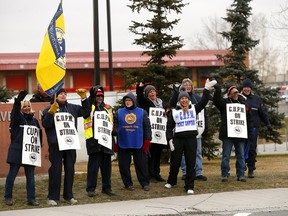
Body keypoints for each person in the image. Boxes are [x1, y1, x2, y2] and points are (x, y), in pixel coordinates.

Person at [165, 79, 217, 194]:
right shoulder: (175, 112)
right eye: (182, 98)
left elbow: (203, 102)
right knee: (175, 161)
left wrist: (206, 89)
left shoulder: (194, 109)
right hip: (178, 139)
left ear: (188, 100)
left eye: (186, 98)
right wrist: (169, 140)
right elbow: (169, 127)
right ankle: (171, 181)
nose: (184, 100)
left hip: (191, 139)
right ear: (180, 100)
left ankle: (189, 186)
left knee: (190, 163)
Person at [42, 88, 90, 206]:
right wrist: (50, 113)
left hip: (70, 144)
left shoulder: (72, 108)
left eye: (65, 94)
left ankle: (69, 196)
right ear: (55, 96)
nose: (63, 95)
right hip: (56, 145)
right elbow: (46, 125)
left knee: (70, 169)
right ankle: (52, 197)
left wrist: (84, 98)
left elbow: (86, 112)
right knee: (56, 170)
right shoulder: (49, 109)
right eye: (60, 94)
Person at [4, 90, 42, 206]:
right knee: (12, 175)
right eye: (24, 106)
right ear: (21, 108)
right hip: (17, 151)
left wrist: (38, 148)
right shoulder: (17, 118)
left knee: (30, 177)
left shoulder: (35, 120)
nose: (26, 108)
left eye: (28, 106)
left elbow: (39, 135)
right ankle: (8, 197)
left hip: (30, 153)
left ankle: (31, 199)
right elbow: (15, 111)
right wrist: (18, 101)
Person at [169, 78, 208, 181]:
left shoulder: (197, 98)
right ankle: (185, 172)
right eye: (185, 85)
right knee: (182, 154)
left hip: (196, 130)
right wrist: (176, 92)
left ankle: (198, 172)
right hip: (182, 132)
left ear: (192, 86)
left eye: (189, 84)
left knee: (198, 152)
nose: (187, 86)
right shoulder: (179, 97)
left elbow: (204, 112)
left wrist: (205, 127)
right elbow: (172, 104)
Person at [213, 84, 253, 182]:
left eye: (236, 92)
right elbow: (216, 101)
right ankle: (225, 174)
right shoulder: (224, 104)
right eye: (233, 93)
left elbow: (248, 118)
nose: (235, 94)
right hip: (228, 135)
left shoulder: (243, 104)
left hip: (240, 134)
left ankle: (241, 174)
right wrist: (217, 89)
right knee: (226, 155)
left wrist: (249, 131)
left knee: (240, 155)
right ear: (229, 94)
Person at [114, 92, 152, 191]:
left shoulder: (142, 112)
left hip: (138, 141)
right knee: (124, 165)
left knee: (141, 165)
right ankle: (128, 183)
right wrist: (116, 133)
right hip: (124, 141)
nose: (128, 102)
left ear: (133, 101)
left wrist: (148, 140)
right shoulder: (119, 112)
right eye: (126, 101)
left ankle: (144, 183)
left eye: (129, 100)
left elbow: (147, 127)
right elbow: (115, 126)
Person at [84, 85, 115, 197]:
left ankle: (107, 188)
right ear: (93, 96)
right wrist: (90, 97)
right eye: (97, 95)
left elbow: (112, 123)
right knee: (93, 167)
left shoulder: (108, 107)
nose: (100, 97)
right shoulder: (89, 107)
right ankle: (91, 189)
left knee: (107, 167)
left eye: (101, 95)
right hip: (94, 141)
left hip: (106, 141)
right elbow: (85, 113)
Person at [136, 82, 167, 182]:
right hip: (150, 132)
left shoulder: (161, 103)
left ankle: (157, 174)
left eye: (153, 91)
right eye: (150, 92)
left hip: (160, 133)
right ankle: (150, 175)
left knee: (158, 155)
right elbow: (140, 96)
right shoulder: (146, 103)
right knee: (151, 155)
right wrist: (139, 87)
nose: (152, 93)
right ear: (147, 94)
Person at [241, 78, 272, 178]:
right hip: (241, 129)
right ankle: (242, 166)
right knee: (241, 149)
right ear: (242, 88)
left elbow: (262, 113)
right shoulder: (238, 98)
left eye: (248, 87)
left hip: (253, 129)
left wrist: (268, 124)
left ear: (251, 88)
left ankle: (251, 169)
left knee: (252, 149)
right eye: (245, 87)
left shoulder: (257, 99)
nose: (246, 89)